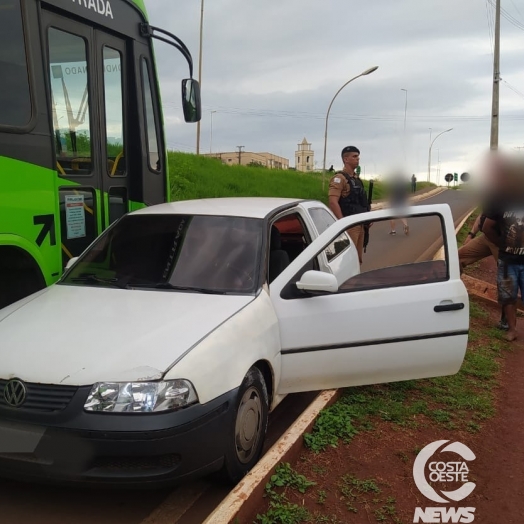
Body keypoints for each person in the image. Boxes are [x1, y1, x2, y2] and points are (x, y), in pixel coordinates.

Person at [458, 213, 508, 330]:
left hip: (503, 243)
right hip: (486, 238)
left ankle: (505, 320)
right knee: (457, 257)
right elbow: (482, 215)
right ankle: (454, 295)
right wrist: (471, 235)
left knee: (506, 277)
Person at [483, 208, 524, 341]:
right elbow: (487, 227)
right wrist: (501, 244)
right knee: (507, 296)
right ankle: (512, 330)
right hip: (507, 262)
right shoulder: (501, 201)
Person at [328, 146, 370, 264]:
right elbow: (332, 202)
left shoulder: (356, 179)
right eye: (354, 156)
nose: (358, 159)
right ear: (346, 159)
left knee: (357, 260)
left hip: (360, 224)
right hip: (350, 225)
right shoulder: (339, 178)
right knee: (347, 260)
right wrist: (343, 224)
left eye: (358, 156)